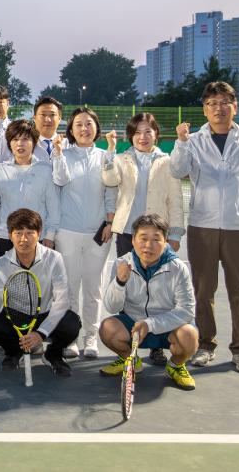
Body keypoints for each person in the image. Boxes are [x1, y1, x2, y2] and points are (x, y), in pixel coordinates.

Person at [170, 81, 239, 373]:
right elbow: (177, 170)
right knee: (203, 291)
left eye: (225, 102)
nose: (218, 108)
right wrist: (181, 142)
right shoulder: (193, 141)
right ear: (204, 109)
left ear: (234, 107)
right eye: (212, 103)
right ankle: (205, 345)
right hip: (202, 225)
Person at [101, 112, 185, 366]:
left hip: (157, 236)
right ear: (131, 136)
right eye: (137, 132)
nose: (143, 137)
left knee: (160, 289)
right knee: (127, 285)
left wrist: (175, 233)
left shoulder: (167, 162)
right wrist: (110, 149)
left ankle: (157, 344)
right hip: (127, 232)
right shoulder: (121, 159)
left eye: (148, 131)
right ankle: (130, 345)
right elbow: (109, 179)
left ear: (156, 134)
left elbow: (175, 199)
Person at [99, 214, 198, 391]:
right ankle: (130, 360)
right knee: (107, 328)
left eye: (156, 239)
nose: (148, 245)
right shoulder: (122, 263)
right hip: (134, 326)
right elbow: (111, 307)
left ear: (165, 241)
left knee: (189, 336)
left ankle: (175, 366)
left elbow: (186, 311)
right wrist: (119, 283)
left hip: (168, 328)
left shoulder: (177, 268)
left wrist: (150, 324)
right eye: (143, 238)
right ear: (133, 240)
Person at [52, 107, 118, 359]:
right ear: (71, 129)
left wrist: (110, 222)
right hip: (67, 232)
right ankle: (70, 338)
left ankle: (91, 337)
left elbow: (111, 190)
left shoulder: (105, 156)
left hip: (98, 235)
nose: (84, 128)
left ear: (96, 128)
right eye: (78, 124)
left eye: (89, 123)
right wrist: (59, 153)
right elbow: (59, 180)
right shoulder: (63, 154)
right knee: (69, 289)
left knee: (93, 288)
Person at [0, 209, 81, 377]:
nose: (24, 239)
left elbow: (62, 301)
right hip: (16, 317)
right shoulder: (1, 264)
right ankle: (15, 351)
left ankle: (53, 355)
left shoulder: (54, 258)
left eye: (30, 233)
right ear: (10, 235)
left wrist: (41, 333)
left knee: (72, 323)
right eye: (18, 233)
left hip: (44, 315)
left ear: (39, 233)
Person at [0, 119, 60, 257]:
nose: (20, 143)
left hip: (37, 235)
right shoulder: (0, 169)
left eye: (25, 139)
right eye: (15, 139)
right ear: (9, 143)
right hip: (6, 235)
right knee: (7, 271)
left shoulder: (46, 170)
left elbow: (53, 206)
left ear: (34, 142)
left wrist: (50, 236)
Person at [32, 96, 66, 162]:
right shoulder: (26, 145)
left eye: (52, 115)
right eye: (43, 115)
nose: (48, 119)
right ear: (34, 118)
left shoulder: (68, 146)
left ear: (59, 119)